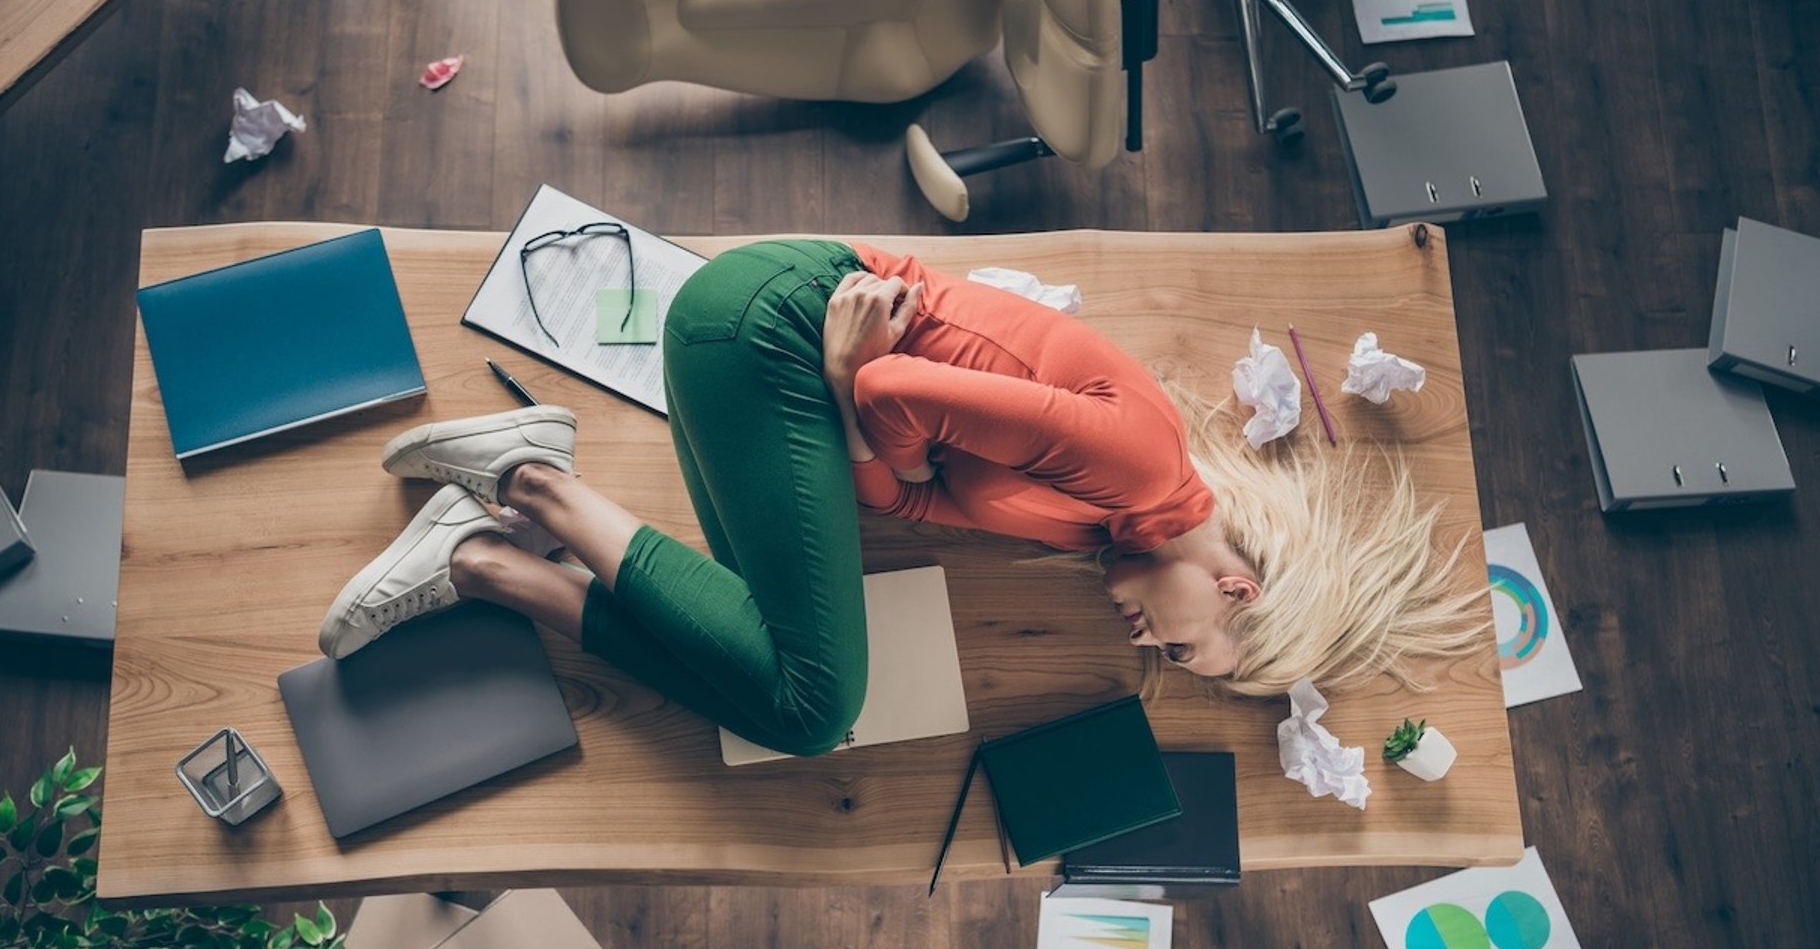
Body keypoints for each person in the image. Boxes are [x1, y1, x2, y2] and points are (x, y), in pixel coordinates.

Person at [318, 239, 1485, 754]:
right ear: (1233, 585)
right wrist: (860, 402)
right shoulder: (1139, 469)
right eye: (1190, 651)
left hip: (781, 354)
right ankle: (528, 483)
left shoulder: (1100, 527)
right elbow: (889, 388)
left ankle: (486, 562)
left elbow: (907, 503)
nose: (1153, 650)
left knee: (776, 688)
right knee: (815, 707)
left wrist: (893, 444)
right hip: (768, 324)